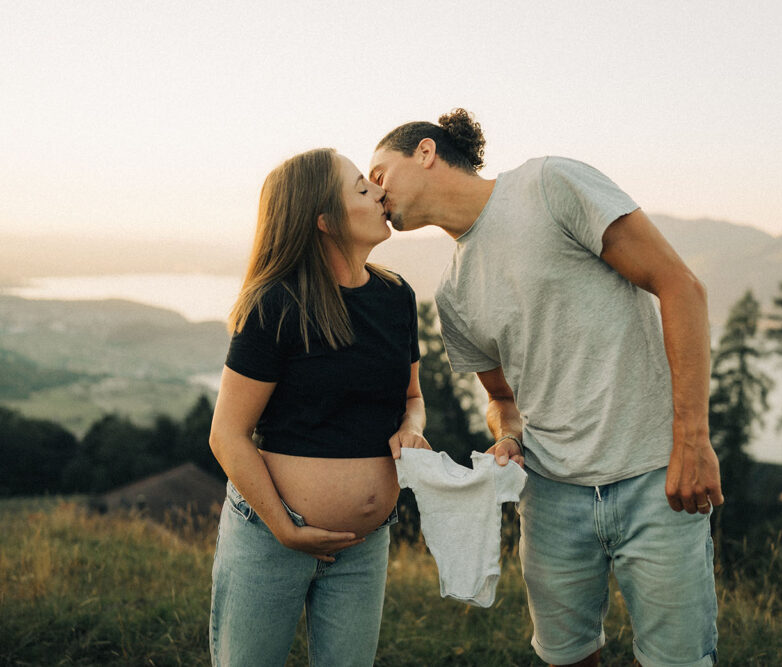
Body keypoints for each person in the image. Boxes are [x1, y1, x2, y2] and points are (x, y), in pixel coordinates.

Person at [369, 109, 723, 667]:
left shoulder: (549, 185)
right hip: (552, 496)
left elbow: (679, 286)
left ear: (426, 151)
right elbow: (503, 400)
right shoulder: (453, 296)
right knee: (566, 658)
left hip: (656, 478)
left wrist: (693, 441)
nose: (374, 191)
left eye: (380, 172)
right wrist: (507, 437)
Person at [207, 147, 429, 666]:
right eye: (361, 187)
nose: (380, 191)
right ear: (325, 220)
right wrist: (285, 527)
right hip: (270, 538)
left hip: (364, 547)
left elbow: (413, 399)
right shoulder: (276, 305)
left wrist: (411, 428)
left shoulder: (397, 297)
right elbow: (227, 434)